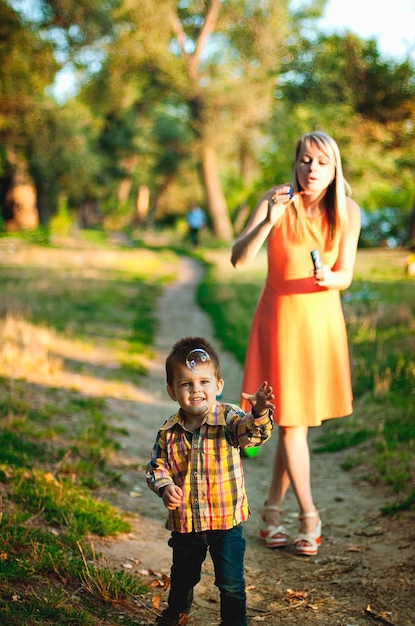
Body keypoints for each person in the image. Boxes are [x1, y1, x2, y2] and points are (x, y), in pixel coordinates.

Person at [230, 131, 361, 557]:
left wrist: (330, 278)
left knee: (294, 424)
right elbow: (239, 258)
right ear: (296, 161)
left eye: (322, 162)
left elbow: (346, 275)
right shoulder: (276, 200)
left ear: (334, 166)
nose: (312, 169)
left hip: (320, 323)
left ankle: (270, 512)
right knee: (291, 424)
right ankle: (309, 515)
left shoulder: (348, 210)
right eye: (305, 160)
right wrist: (268, 219)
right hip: (280, 320)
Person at [146, 336, 274, 626]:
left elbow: (252, 435)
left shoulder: (230, 418)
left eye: (204, 382)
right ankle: (177, 611)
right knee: (183, 576)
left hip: (226, 522)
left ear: (218, 385)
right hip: (186, 522)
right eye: (186, 383)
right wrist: (164, 486)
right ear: (171, 391)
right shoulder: (168, 431)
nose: (196, 390)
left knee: (230, 583)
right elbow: (156, 466)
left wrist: (259, 412)